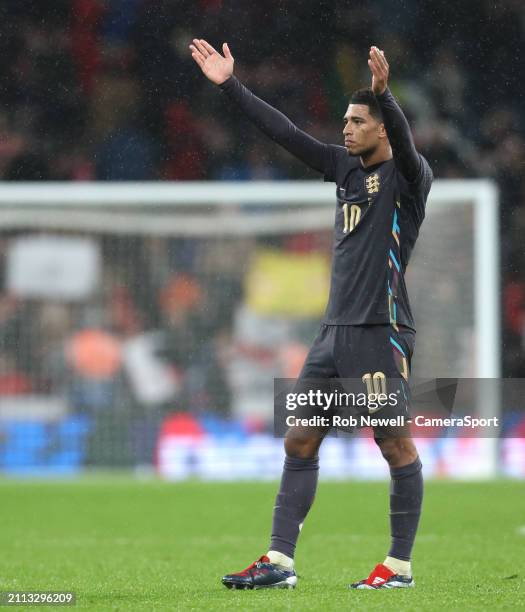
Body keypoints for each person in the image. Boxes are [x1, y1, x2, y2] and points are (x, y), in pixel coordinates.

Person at [190, 38, 432, 591]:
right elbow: (285, 134)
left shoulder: (410, 179)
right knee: (299, 439)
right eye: (345, 121)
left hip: (380, 330)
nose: (346, 129)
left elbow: (408, 145)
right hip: (331, 334)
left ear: (381, 129)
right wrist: (231, 86)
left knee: (394, 442)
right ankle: (279, 561)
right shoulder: (343, 169)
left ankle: (398, 567)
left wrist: (385, 97)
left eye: (357, 121)